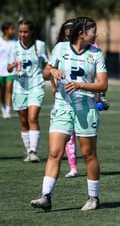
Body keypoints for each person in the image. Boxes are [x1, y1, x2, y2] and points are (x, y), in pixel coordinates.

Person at [30, 16, 107, 211]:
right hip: (62, 107)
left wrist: (81, 85)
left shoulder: (96, 54)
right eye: (93, 31)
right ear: (81, 34)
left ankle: (93, 198)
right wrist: (52, 72)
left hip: (86, 109)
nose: (96, 35)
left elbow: (102, 84)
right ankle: (46, 196)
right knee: (55, 152)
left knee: (88, 154)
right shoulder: (60, 49)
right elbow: (45, 72)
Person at [7, 20, 48, 162]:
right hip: (19, 87)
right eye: (20, 31)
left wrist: (52, 80)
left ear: (31, 32)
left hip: (36, 85)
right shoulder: (14, 47)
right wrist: (12, 66)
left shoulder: (40, 45)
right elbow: (8, 68)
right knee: (24, 121)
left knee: (32, 117)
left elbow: (47, 64)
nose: (23, 34)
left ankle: (33, 151)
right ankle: (28, 150)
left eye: (26, 32)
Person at [54, 19, 80, 178]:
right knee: (69, 134)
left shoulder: (91, 49)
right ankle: (73, 167)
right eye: (67, 31)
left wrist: (99, 96)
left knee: (83, 137)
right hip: (65, 98)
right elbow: (50, 69)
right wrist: (53, 83)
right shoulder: (60, 48)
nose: (69, 34)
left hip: (84, 99)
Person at [0, 22, 16, 119]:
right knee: (2, 92)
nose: (13, 31)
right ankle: (3, 107)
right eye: (11, 29)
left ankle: (8, 111)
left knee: (9, 89)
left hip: (10, 70)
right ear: (6, 31)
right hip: (0, 71)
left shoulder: (15, 42)